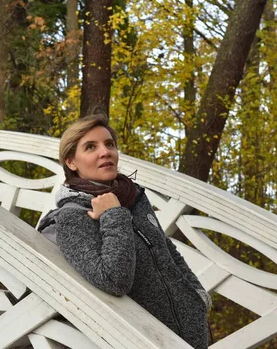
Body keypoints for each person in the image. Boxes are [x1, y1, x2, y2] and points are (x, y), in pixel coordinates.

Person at [38, 114, 211, 348]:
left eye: (109, 144)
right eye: (91, 147)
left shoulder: (135, 197)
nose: (105, 152)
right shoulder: (73, 216)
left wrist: (196, 295)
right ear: (71, 162)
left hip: (191, 333)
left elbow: (165, 248)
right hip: (143, 339)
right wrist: (112, 215)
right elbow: (113, 280)